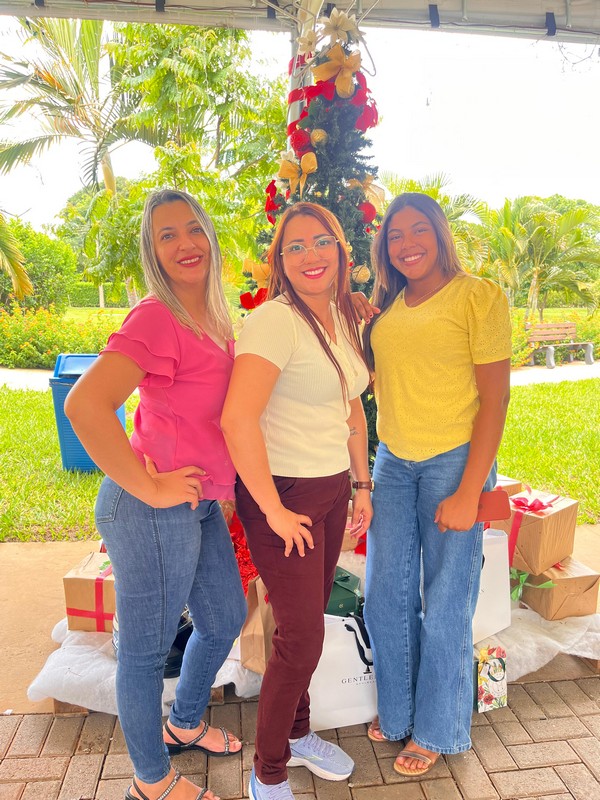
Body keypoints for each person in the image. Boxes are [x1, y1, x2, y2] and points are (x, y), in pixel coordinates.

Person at [65, 189, 247, 800]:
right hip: (148, 507)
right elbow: (85, 405)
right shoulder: (156, 317)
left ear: (210, 236)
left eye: (193, 229)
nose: (185, 243)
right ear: (152, 250)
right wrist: (147, 485)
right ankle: (150, 780)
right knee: (145, 652)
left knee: (224, 619)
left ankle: (185, 722)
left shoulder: (215, 315)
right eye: (167, 235)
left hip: (196, 502)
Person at [221, 202, 373, 800]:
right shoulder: (275, 321)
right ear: (279, 262)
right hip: (284, 495)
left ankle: (299, 732)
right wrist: (274, 510)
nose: (311, 254)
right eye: (295, 246)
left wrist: (361, 484)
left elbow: (351, 406)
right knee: (303, 637)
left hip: (331, 489)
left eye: (322, 241)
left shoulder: (341, 317)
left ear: (341, 248)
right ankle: (268, 772)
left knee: (301, 626)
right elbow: (238, 420)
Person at [362, 193, 511, 776]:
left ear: (440, 234)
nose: (407, 244)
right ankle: (398, 712)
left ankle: (436, 729)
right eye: (395, 235)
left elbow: (495, 400)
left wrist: (470, 491)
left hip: (454, 460)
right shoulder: (387, 309)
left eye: (419, 229)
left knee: (446, 600)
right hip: (392, 462)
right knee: (386, 595)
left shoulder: (478, 296)